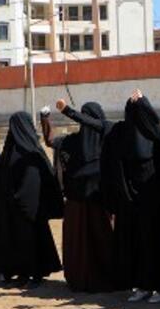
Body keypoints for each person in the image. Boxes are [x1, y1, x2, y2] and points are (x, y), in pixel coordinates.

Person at [101, 91, 160, 303]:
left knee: (155, 243)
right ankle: (142, 286)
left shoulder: (157, 137)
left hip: (154, 199)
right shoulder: (120, 135)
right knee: (136, 244)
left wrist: (143, 103)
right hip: (131, 200)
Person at [41, 100, 115, 292]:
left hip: (78, 202)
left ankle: (81, 278)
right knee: (102, 240)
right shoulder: (107, 138)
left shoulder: (75, 141)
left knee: (80, 242)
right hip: (99, 202)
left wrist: (46, 118)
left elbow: (51, 141)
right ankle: (107, 277)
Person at [0, 111, 64, 286]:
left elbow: (36, 180)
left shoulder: (32, 151)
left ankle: (37, 275)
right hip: (13, 206)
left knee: (33, 240)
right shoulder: (10, 149)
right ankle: (21, 274)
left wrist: (21, 199)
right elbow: (1, 169)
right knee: (16, 240)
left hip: (31, 208)